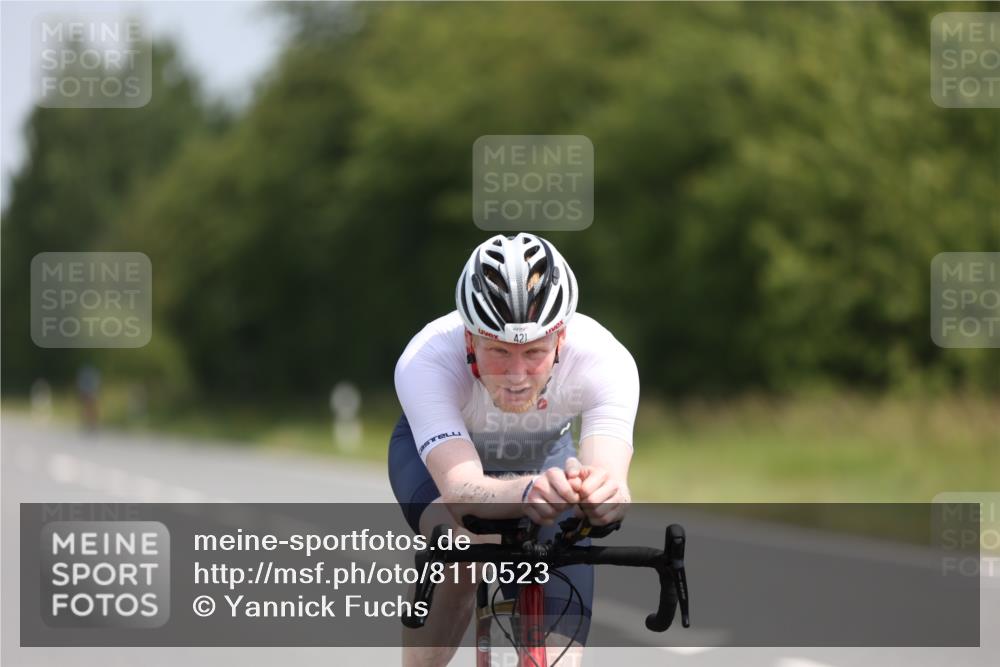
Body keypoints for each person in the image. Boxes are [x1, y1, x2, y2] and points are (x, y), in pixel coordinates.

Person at [389, 233, 639, 666]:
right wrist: (528, 493)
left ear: (560, 340)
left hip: (544, 459)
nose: (517, 375)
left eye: (535, 353)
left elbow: (609, 478)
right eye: (499, 352)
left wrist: (602, 500)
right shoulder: (427, 357)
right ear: (470, 341)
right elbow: (462, 489)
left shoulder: (605, 360)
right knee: (463, 550)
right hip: (444, 462)